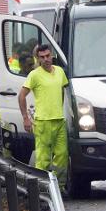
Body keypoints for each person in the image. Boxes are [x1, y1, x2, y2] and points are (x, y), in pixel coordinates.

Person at [18, 44, 69, 178]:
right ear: (38, 59)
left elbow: (62, 92)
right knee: (43, 158)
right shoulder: (34, 75)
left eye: (48, 55)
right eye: (42, 57)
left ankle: (59, 187)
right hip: (43, 122)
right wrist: (25, 118)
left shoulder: (59, 71)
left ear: (52, 55)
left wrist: (59, 109)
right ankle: (41, 189)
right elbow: (21, 96)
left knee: (62, 155)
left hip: (59, 120)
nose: (46, 59)